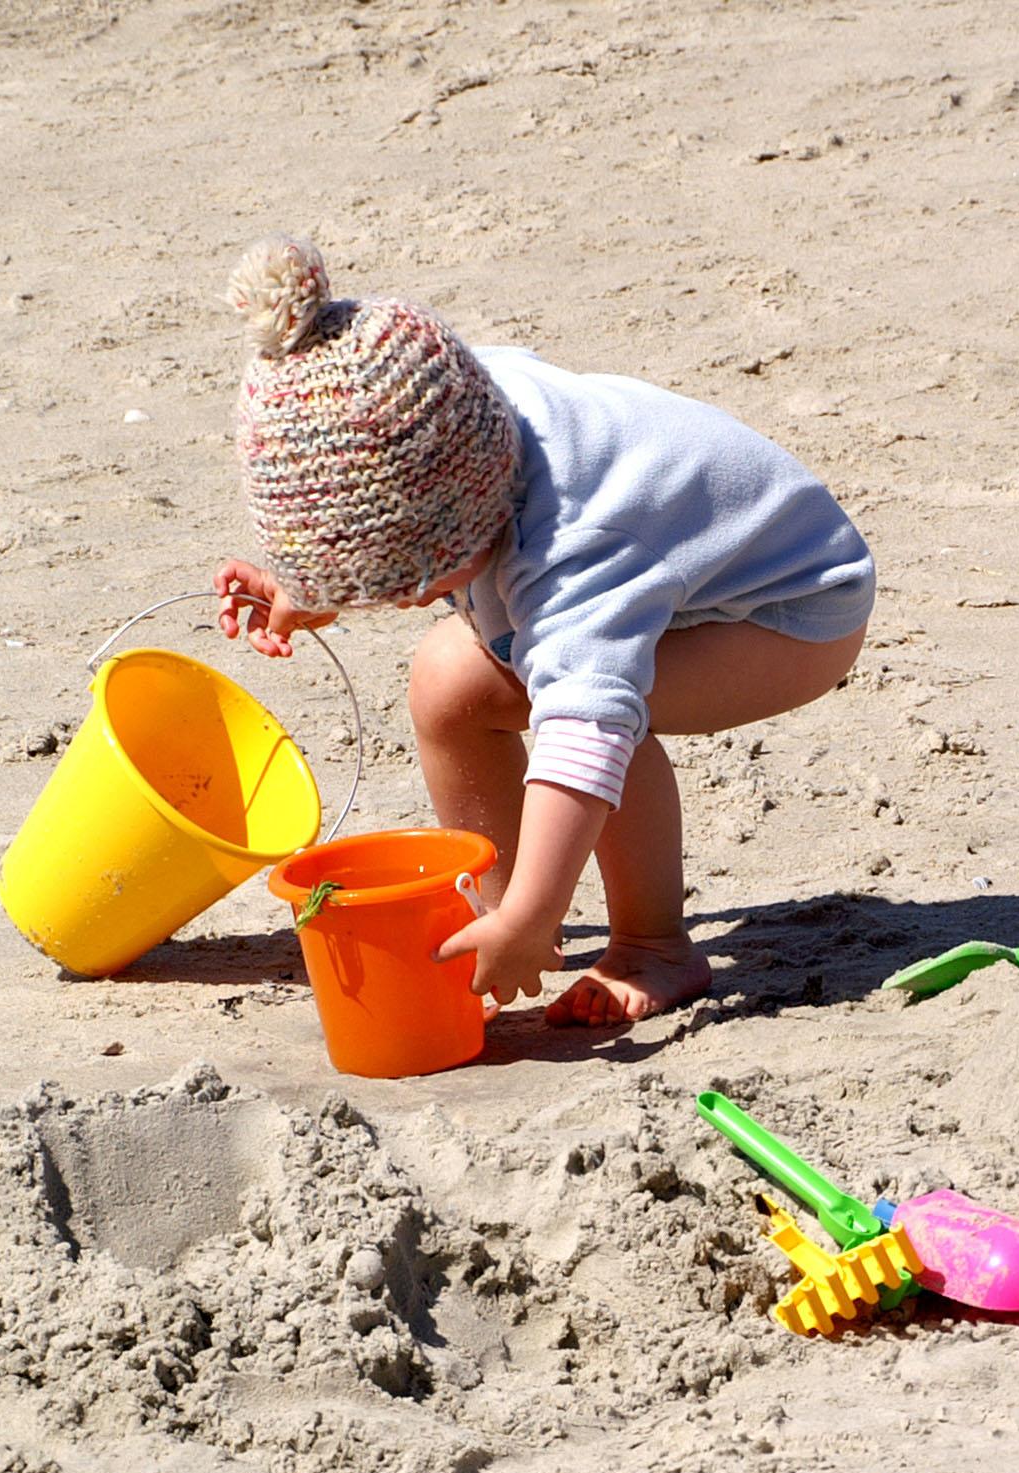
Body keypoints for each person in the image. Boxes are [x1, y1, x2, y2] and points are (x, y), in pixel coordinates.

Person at [212, 236, 874, 1027]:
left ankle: (652, 946)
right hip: (684, 560)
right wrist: (312, 583)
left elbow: (584, 733)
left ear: (462, 529)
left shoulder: (574, 549)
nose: (398, 603)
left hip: (787, 611)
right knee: (450, 683)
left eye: (408, 585)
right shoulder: (443, 398)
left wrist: (535, 913)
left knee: (591, 706)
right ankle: (486, 914)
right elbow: (379, 495)